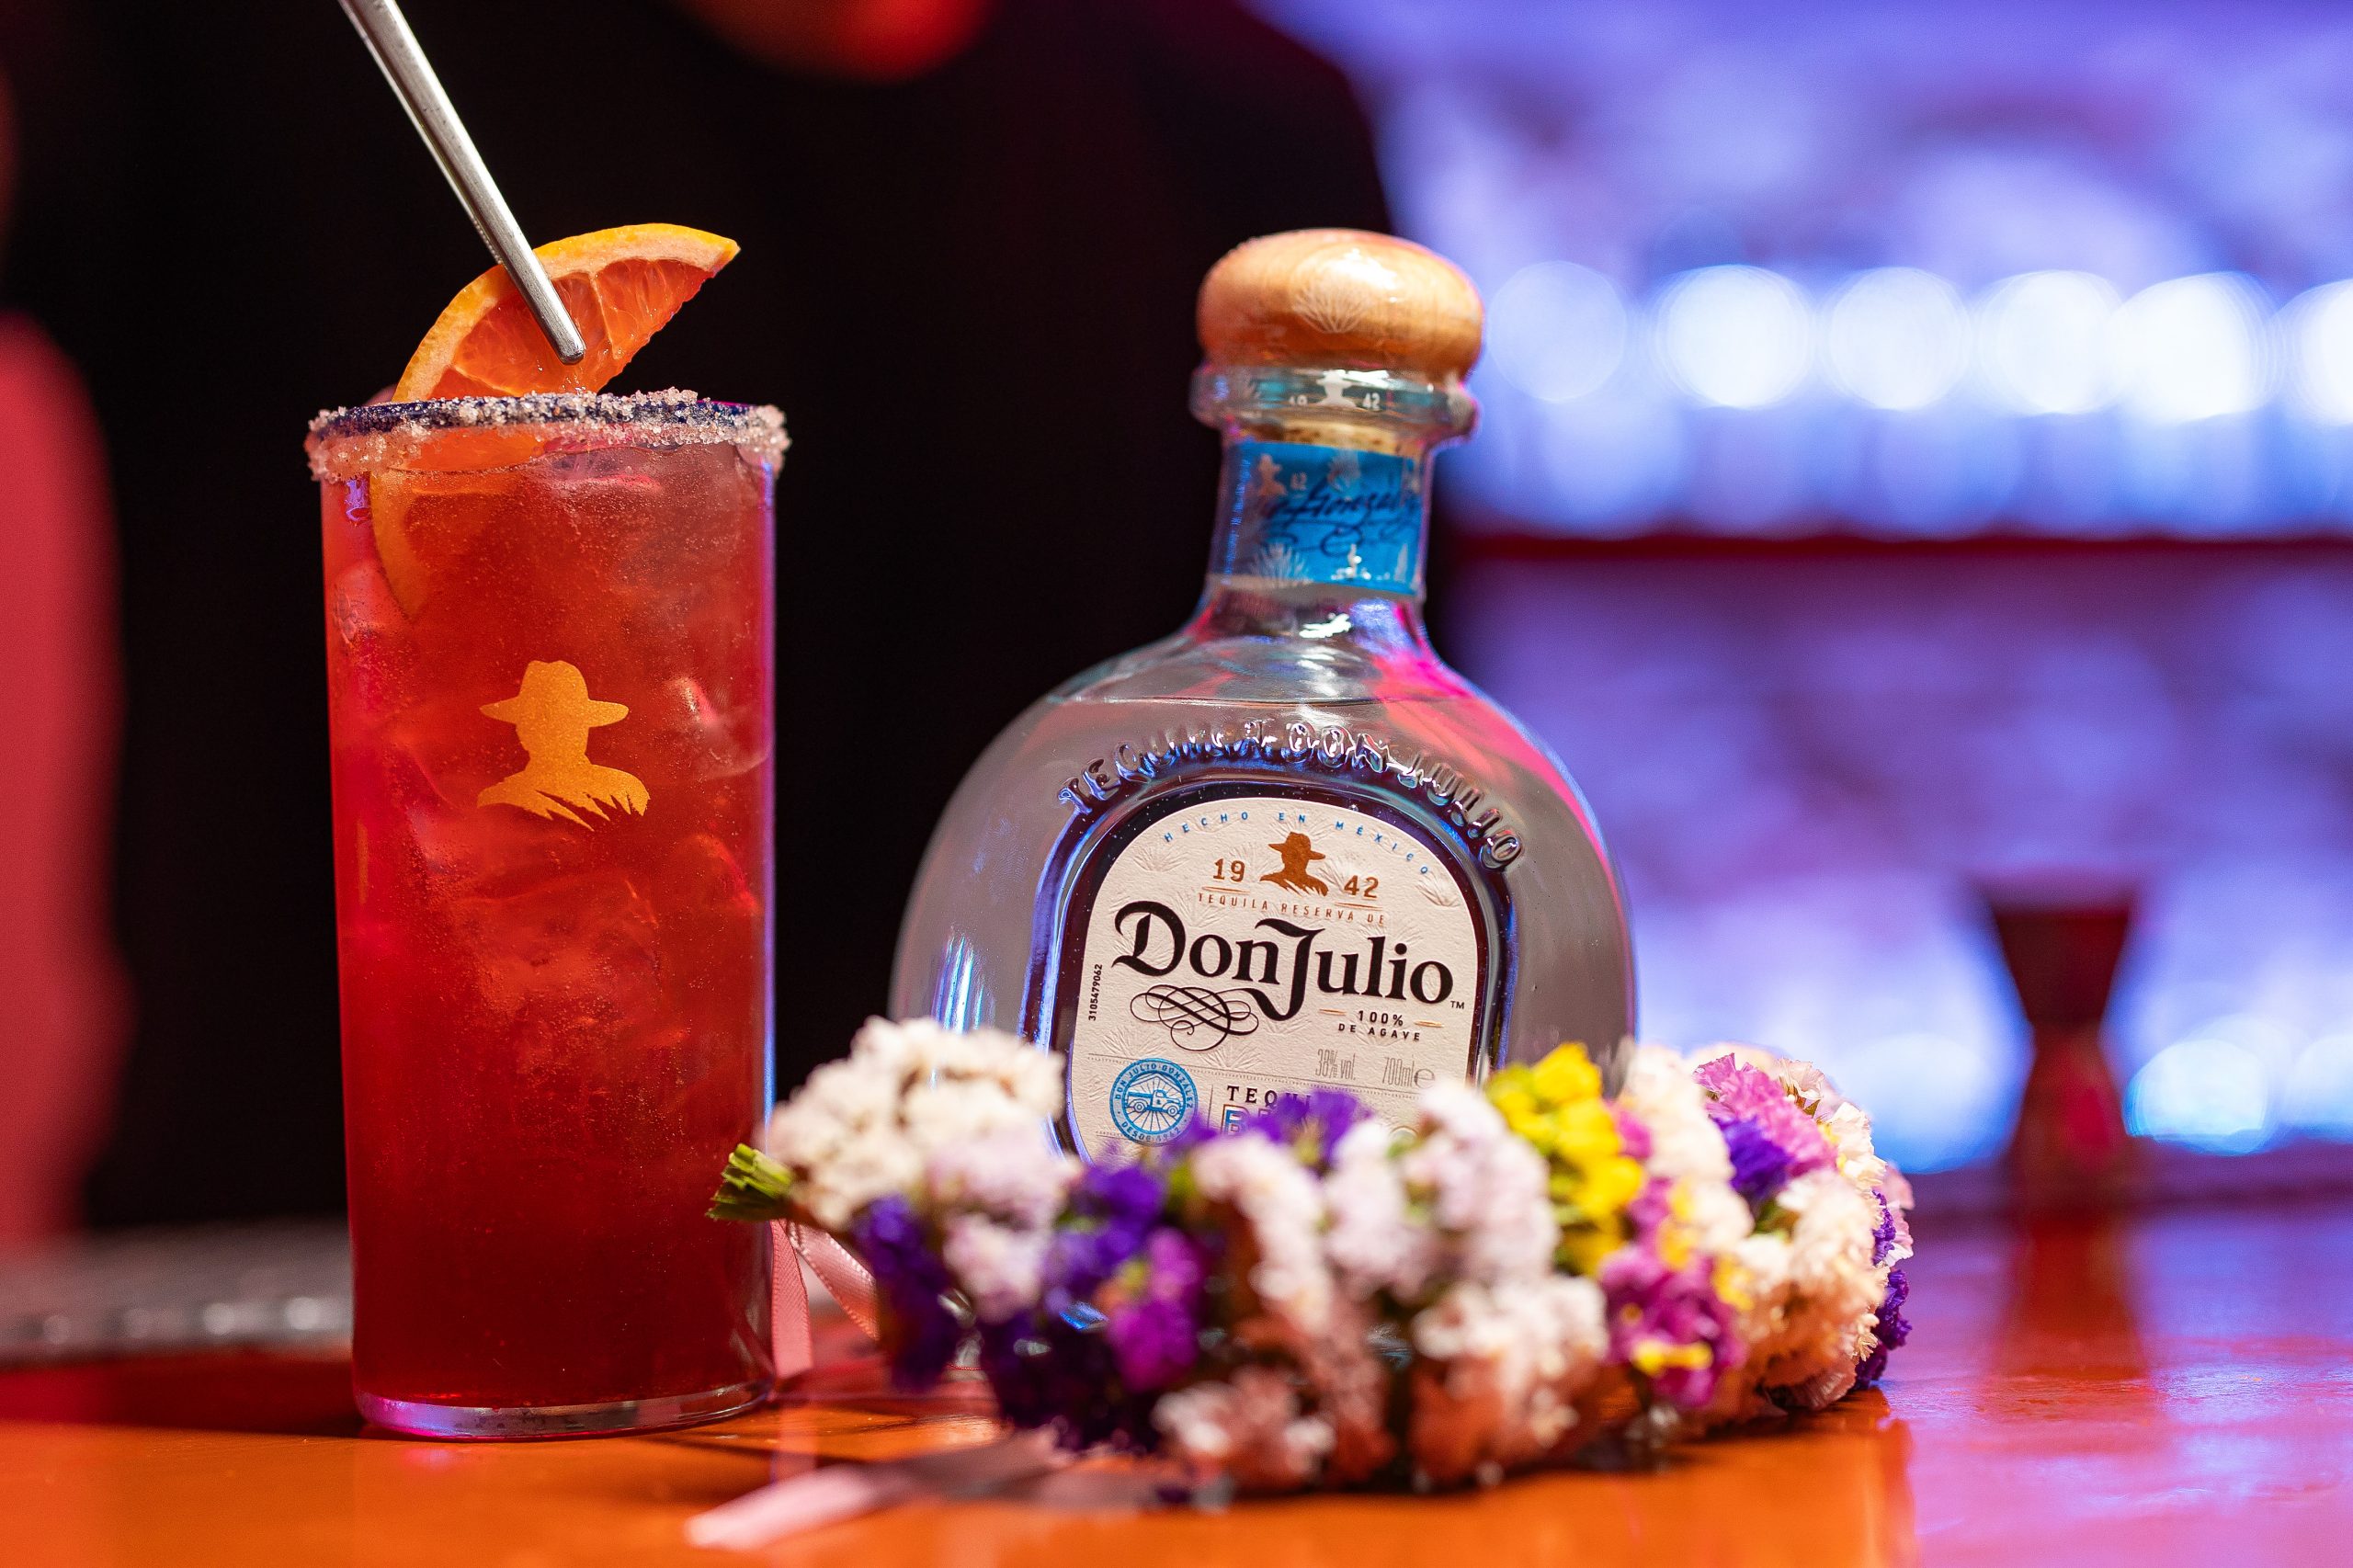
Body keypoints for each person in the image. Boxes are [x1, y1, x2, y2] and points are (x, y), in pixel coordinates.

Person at [12, 0, 1390, 1224]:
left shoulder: (1259, 138)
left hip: (996, 1306)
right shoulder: (250, 40)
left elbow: (1334, 737)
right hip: (307, 1297)